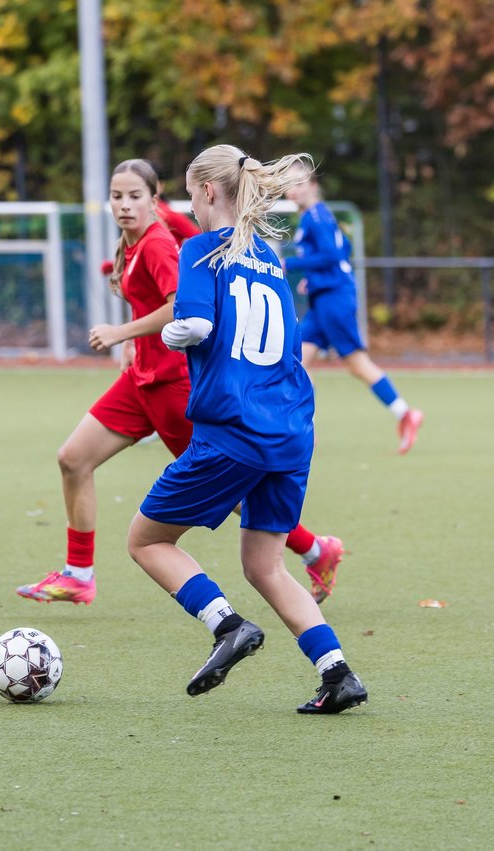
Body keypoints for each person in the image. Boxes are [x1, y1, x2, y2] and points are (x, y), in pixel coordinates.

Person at [16, 159, 344, 606]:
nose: (125, 204)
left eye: (135, 196)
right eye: (117, 196)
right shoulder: (137, 240)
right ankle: (78, 573)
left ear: (156, 199)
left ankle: (313, 548)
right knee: (73, 459)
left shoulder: (158, 245)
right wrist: (134, 343)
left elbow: (181, 310)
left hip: (175, 384)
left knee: (227, 490)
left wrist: (120, 334)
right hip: (140, 381)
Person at [127, 145, 368, 714]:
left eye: (190, 193)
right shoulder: (269, 255)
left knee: (147, 540)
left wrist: (171, 337)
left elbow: (194, 323)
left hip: (234, 429)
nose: (189, 203)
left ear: (208, 191)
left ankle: (226, 625)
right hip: (290, 429)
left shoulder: (200, 248)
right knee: (265, 564)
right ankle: (339, 675)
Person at [284, 166, 424, 454]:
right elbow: (343, 248)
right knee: (299, 359)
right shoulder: (319, 215)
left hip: (335, 300)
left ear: (312, 184)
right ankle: (305, 427)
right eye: (289, 185)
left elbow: (332, 254)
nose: (293, 190)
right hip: (325, 297)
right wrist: (315, 279)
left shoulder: (315, 216)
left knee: (358, 364)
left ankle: (405, 413)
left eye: (298, 183)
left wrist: (293, 265)